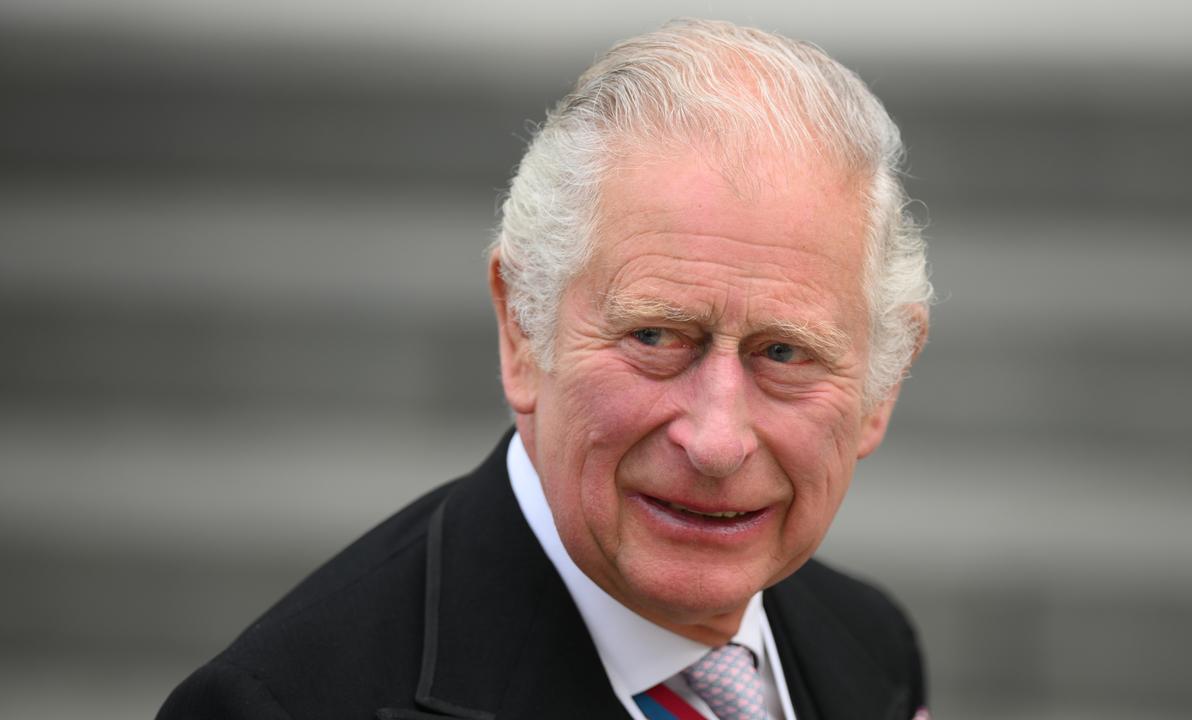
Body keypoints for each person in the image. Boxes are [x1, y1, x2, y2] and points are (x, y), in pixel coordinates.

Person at [159, 18, 933, 720]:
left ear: (880, 388)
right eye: (657, 337)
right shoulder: (282, 708)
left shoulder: (872, 647)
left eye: (784, 353)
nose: (717, 440)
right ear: (522, 331)